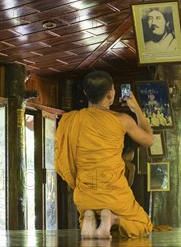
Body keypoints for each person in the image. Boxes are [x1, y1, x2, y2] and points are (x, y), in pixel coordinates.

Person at [55, 71, 154, 239]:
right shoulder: (122, 119)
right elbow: (149, 140)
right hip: (114, 193)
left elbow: (63, 159)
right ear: (110, 94)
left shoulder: (70, 119)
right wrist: (136, 107)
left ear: (86, 93)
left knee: (88, 220)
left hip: (85, 194)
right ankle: (113, 219)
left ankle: (91, 217)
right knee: (143, 225)